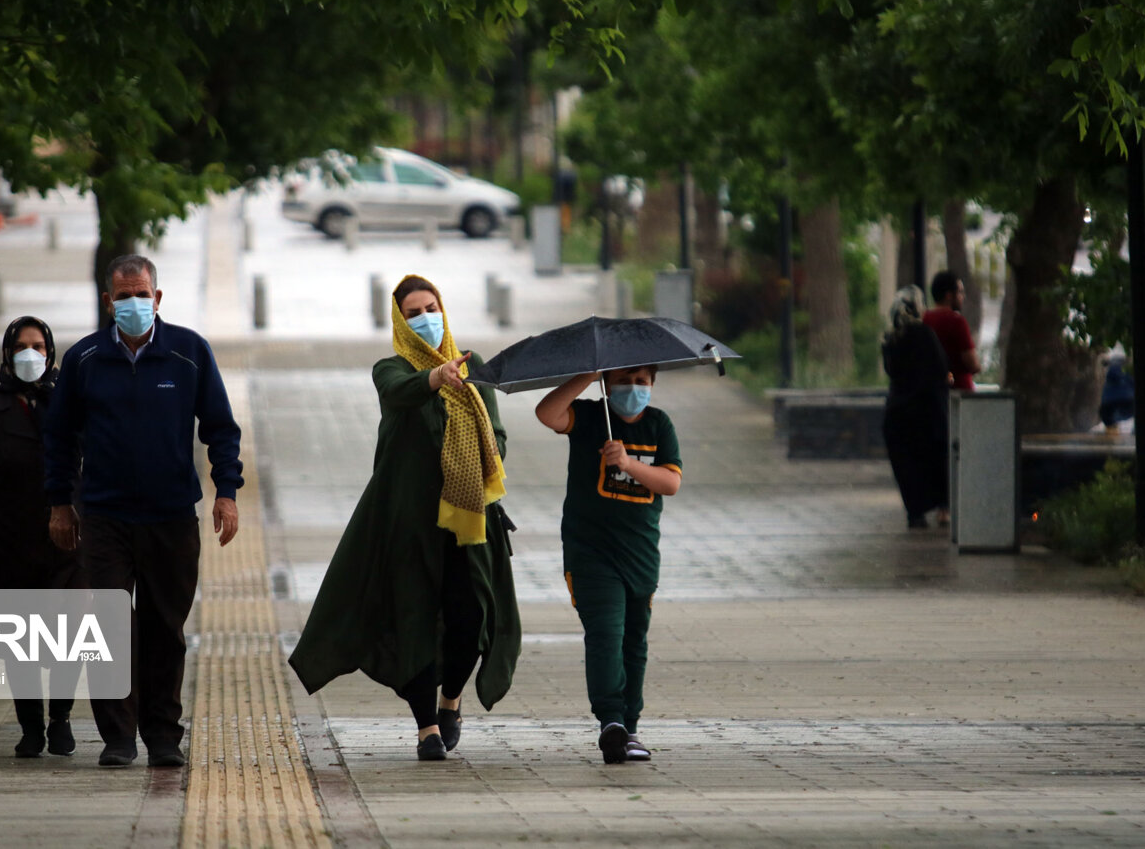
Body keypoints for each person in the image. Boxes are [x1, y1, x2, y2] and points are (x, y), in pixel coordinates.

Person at [289, 274, 521, 762]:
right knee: (413, 620)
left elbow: (496, 438)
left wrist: (477, 456)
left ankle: (451, 699)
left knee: (471, 616)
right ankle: (427, 728)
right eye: (413, 313)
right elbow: (400, 393)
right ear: (400, 321)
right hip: (407, 523)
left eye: (431, 307)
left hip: (467, 520)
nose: (425, 319)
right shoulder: (389, 369)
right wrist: (436, 379)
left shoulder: (475, 367)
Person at [44, 254, 243, 769]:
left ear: (157, 298)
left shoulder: (189, 353)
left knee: (164, 631)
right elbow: (59, 438)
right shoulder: (85, 359)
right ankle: (117, 737)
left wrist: (227, 491)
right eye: (124, 296)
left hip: (172, 517)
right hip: (104, 517)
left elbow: (220, 428)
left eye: (143, 294)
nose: (134, 303)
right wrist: (60, 503)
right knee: (108, 626)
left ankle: (162, 736)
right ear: (109, 302)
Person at [0, 316, 85, 758]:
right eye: (23, 346)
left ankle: (60, 717)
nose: (32, 354)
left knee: (71, 631)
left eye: (40, 346)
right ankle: (30, 725)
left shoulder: (71, 403)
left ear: (51, 352)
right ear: (7, 353)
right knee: (18, 638)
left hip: (67, 540)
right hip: (6, 540)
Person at [535, 365, 682, 764]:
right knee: (605, 634)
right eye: (622, 380)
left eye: (641, 382)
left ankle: (630, 726)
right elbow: (547, 414)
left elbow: (670, 483)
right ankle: (611, 723)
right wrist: (585, 375)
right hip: (591, 554)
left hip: (641, 555)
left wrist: (629, 464)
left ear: (652, 385)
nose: (632, 389)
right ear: (606, 383)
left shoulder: (658, 424)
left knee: (634, 641)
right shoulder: (587, 417)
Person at [883, 286, 951, 530]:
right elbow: (940, 369)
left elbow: (891, 371)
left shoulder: (890, 337)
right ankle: (943, 508)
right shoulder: (924, 334)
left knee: (907, 464)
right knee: (935, 459)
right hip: (927, 409)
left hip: (897, 412)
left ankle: (916, 513)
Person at [922, 270, 980, 392]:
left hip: (932, 393)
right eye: (960, 292)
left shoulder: (924, 319)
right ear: (949, 295)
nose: (963, 297)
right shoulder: (956, 321)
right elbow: (972, 364)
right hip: (959, 391)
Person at [1099, 353, 1134, 431]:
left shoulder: (1110, 372)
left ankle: (1111, 429)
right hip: (1127, 401)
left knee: (1107, 416)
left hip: (1110, 403)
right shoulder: (1128, 373)